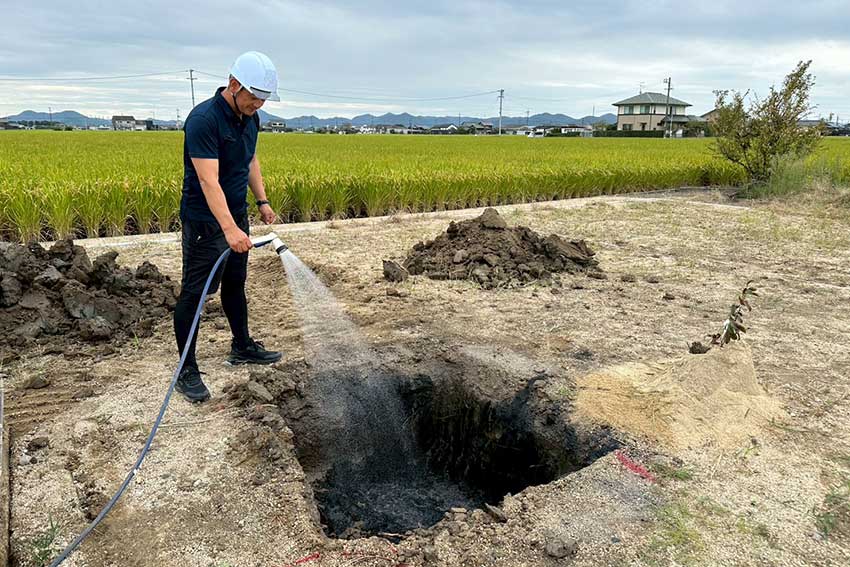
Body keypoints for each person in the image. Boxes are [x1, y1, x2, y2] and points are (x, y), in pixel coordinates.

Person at [173, 51, 283, 403]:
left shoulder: (251, 118)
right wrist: (229, 229)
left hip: (237, 212)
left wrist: (262, 201)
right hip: (206, 221)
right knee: (196, 292)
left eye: (263, 99)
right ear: (234, 84)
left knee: (236, 282)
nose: (259, 104)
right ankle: (186, 370)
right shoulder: (203, 120)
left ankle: (242, 346)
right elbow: (208, 181)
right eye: (254, 97)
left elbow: (250, 158)